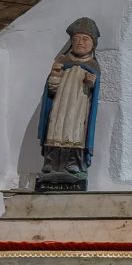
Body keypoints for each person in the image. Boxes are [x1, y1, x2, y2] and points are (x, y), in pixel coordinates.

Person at [36, 17, 101, 191]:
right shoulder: (62, 63)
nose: (80, 42)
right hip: (59, 107)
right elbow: (52, 90)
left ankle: (74, 166)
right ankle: (51, 165)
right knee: (55, 129)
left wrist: (90, 82)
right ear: (71, 42)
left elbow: (93, 94)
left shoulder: (93, 65)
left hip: (79, 110)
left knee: (75, 134)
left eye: (85, 39)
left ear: (93, 44)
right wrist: (55, 76)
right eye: (77, 39)